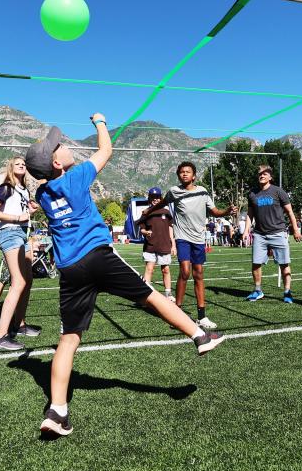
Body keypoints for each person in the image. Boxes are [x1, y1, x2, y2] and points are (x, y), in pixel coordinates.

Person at [25, 115, 225, 437]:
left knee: (69, 339)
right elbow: (106, 150)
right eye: (58, 147)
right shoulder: (74, 177)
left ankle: (57, 411)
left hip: (70, 270)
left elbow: (47, 183)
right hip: (98, 257)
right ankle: (199, 336)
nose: (64, 146)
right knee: (151, 296)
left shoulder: (44, 194)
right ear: (55, 163)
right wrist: (101, 122)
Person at [142, 161, 237, 329]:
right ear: (179, 175)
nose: (184, 174)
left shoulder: (203, 192)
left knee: (198, 273)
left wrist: (227, 211)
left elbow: (214, 211)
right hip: (182, 237)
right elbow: (162, 203)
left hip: (198, 238)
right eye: (181, 172)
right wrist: (148, 211)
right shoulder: (174, 191)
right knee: (185, 271)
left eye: (188, 172)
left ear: (194, 176)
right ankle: (177, 314)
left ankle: (201, 316)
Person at [0, 157, 39, 350]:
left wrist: (31, 210)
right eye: (18, 164)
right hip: (10, 232)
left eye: (24, 163)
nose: (22, 165)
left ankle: (19, 325)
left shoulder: (23, 190)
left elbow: (23, 212)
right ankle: (0, 337)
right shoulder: (6, 187)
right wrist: (17, 217)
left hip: (23, 233)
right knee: (19, 282)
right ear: (11, 168)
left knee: (28, 280)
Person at [244, 165, 302, 303]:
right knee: (256, 263)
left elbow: (290, 212)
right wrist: (246, 230)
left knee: (284, 263)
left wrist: (296, 229)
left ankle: (287, 292)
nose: (262, 175)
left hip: (278, 232)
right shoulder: (252, 193)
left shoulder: (278, 191)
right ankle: (258, 290)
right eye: (260, 174)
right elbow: (249, 214)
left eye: (265, 173)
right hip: (259, 234)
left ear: (270, 176)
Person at [136, 187, 176, 300]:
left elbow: (170, 229)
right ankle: (145, 294)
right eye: (153, 198)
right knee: (149, 269)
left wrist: (173, 245)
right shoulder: (145, 212)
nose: (155, 200)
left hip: (164, 245)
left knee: (166, 270)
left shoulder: (166, 212)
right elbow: (142, 229)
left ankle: (168, 294)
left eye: (157, 197)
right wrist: (145, 232)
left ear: (161, 198)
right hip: (150, 246)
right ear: (150, 199)